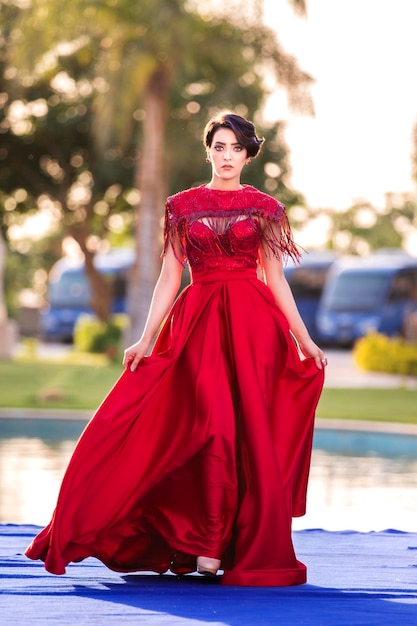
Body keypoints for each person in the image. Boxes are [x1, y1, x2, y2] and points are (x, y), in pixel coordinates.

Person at [25, 112, 326, 587]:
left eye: (236, 148)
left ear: (249, 154)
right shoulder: (181, 207)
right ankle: (203, 545)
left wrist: (303, 339)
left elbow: (275, 278)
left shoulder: (266, 208)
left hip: (253, 328)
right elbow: (170, 275)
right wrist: (146, 338)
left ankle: (220, 549)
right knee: (211, 430)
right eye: (219, 147)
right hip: (199, 325)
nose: (227, 156)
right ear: (208, 151)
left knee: (245, 436)